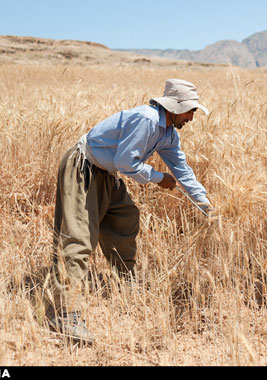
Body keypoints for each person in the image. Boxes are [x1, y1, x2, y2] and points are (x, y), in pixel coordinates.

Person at [48, 79, 212, 344]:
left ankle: (126, 280)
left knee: (124, 216)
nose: (192, 117)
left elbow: (182, 171)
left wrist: (205, 205)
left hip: (106, 172)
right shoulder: (147, 120)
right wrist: (159, 178)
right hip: (84, 166)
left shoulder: (168, 133)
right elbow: (126, 162)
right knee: (78, 239)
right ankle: (64, 313)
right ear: (174, 107)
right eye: (190, 110)